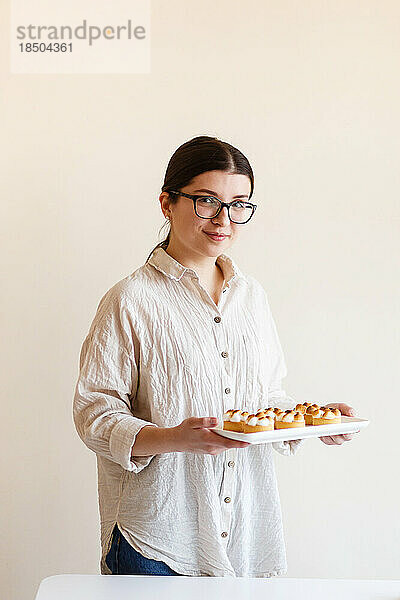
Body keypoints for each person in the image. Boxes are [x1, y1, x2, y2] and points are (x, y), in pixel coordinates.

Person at [73, 135, 357, 578]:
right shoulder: (130, 300)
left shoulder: (253, 298)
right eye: (206, 201)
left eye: (239, 203)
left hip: (244, 531)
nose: (224, 219)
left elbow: (265, 396)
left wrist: (309, 418)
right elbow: (95, 416)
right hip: (159, 540)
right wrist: (175, 438)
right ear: (167, 203)